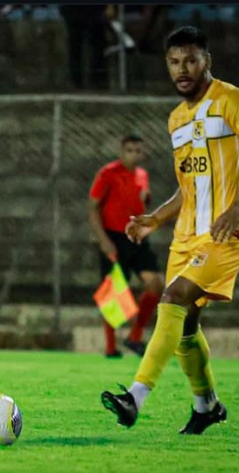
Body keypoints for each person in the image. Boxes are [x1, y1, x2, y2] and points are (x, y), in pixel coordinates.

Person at [100, 26, 239, 435]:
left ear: (207, 61)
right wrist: (155, 219)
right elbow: (189, 187)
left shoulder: (234, 101)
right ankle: (207, 405)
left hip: (227, 235)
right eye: (174, 62)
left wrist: (237, 207)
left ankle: (135, 396)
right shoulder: (176, 119)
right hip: (187, 236)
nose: (182, 69)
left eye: (191, 60)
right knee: (185, 328)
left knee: (173, 298)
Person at [88, 134, 165, 358]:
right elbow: (92, 207)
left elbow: (142, 201)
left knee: (156, 284)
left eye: (138, 150)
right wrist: (103, 240)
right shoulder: (108, 173)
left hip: (137, 236)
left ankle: (135, 336)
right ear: (122, 152)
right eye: (130, 150)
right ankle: (111, 347)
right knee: (112, 293)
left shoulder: (143, 175)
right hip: (114, 236)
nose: (134, 154)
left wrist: (145, 199)